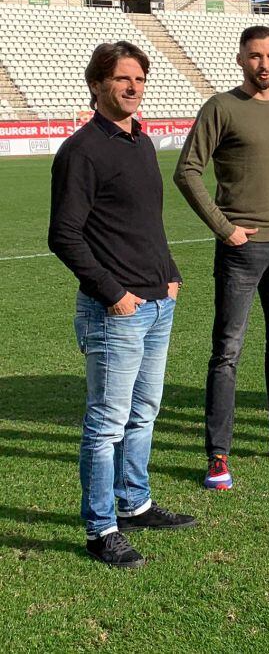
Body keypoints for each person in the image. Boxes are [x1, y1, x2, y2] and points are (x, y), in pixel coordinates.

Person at [49, 41, 195, 568]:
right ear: (97, 85)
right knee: (106, 422)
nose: (133, 88)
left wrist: (170, 275)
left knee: (143, 414)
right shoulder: (82, 150)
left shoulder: (142, 142)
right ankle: (100, 527)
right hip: (116, 311)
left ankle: (134, 504)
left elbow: (145, 225)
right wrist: (113, 293)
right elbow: (64, 235)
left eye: (139, 80)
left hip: (158, 303)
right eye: (122, 79)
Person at [174, 25, 269, 491]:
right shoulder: (221, 107)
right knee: (227, 352)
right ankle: (218, 454)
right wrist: (225, 228)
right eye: (255, 56)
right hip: (242, 251)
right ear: (240, 59)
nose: (264, 64)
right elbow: (187, 172)